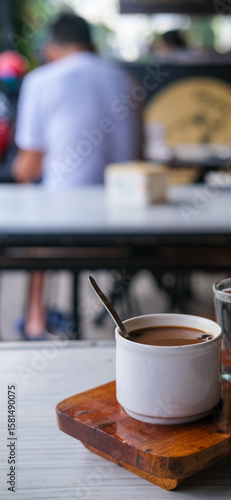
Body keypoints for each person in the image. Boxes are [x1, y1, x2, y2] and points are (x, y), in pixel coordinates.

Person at [12, 13, 143, 339]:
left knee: (34, 211)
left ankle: (35, 322)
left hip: (61, 234)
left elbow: (27, 169)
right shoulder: (127, 79)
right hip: (125, 230)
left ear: (52, 47)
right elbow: (139, 158)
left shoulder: (41, 80)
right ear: (90, 43)